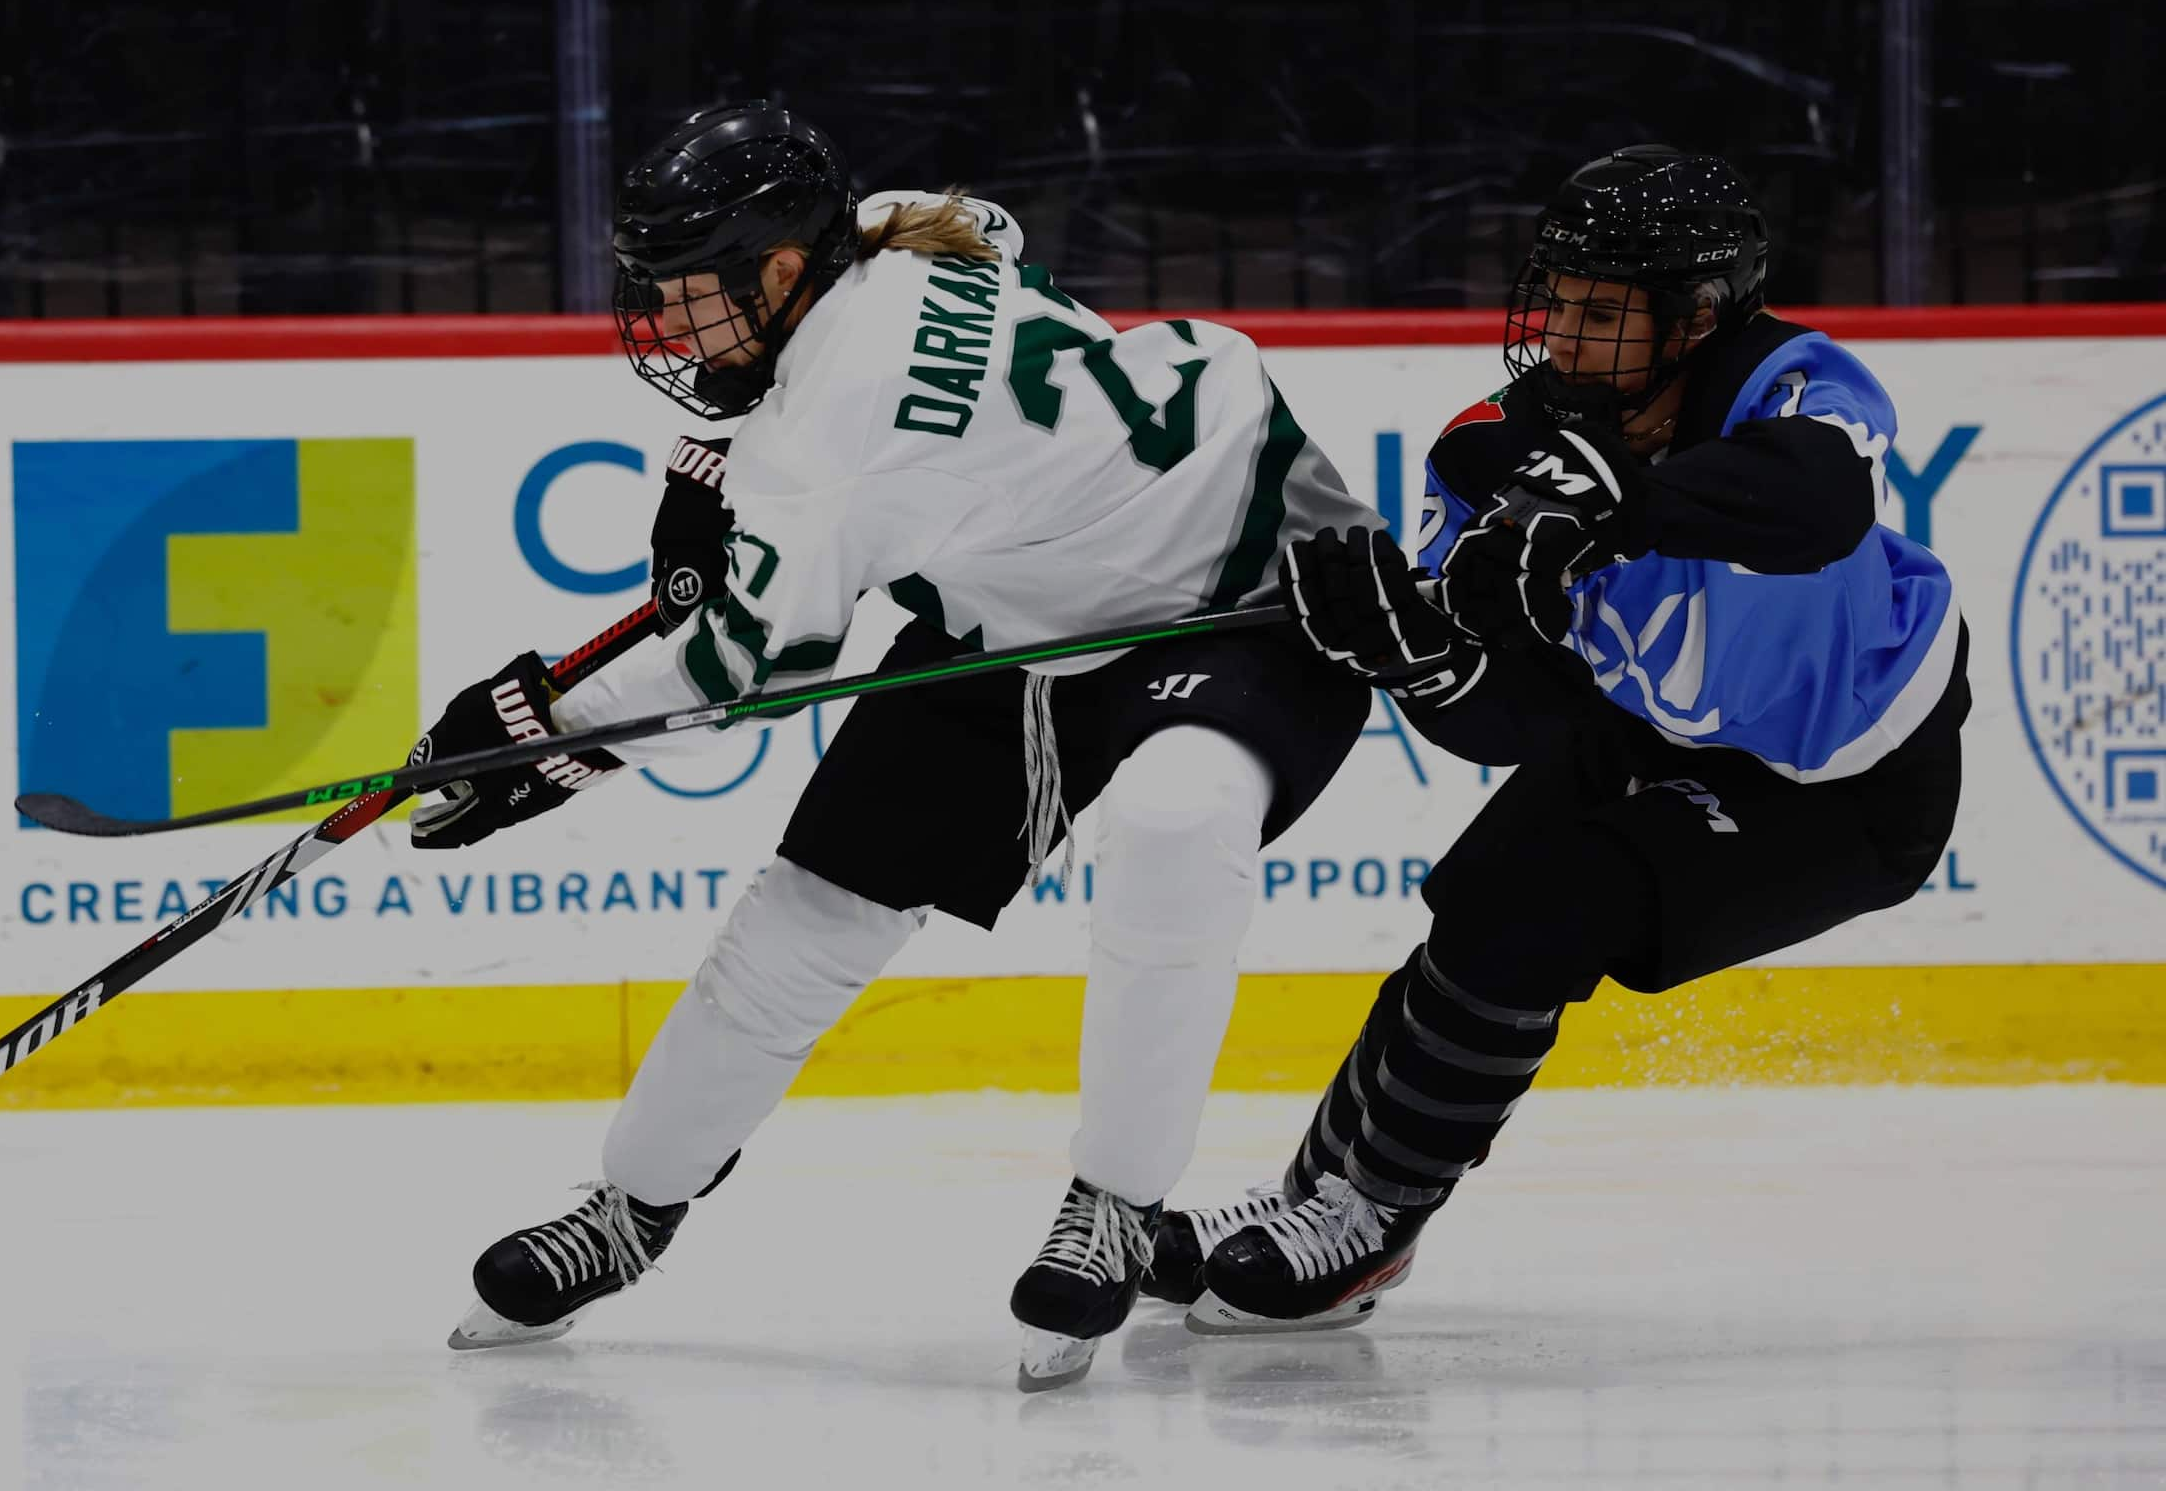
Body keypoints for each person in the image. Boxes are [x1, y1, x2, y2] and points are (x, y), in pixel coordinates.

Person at [405, 102, 1380, 1389]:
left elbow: (741, 669)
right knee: (811, 912)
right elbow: (992, 237)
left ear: (781, 271)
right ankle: (628, 1206)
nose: (670, 322)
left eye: (693, 292)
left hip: (1259, 583)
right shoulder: (877, 242)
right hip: (1027, 612)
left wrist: (538, 727)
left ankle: (1118, 1202)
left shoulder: (834, 437)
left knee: (1175, 821)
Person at [1154, 145, 1967, 1333]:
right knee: (1477, 902)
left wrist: (1615, 505)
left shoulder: (1787, 378)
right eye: (1560, 300)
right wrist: (1415, 653)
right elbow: (1514, 719)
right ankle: (1318, 1199)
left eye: (1602, 312)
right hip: (1645, 725)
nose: (1562, 335)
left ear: (1696, 319)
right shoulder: (1492, 447)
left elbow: (1816, 505)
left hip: (1844, 781)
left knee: (1539, 910)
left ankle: (1375, 1216)